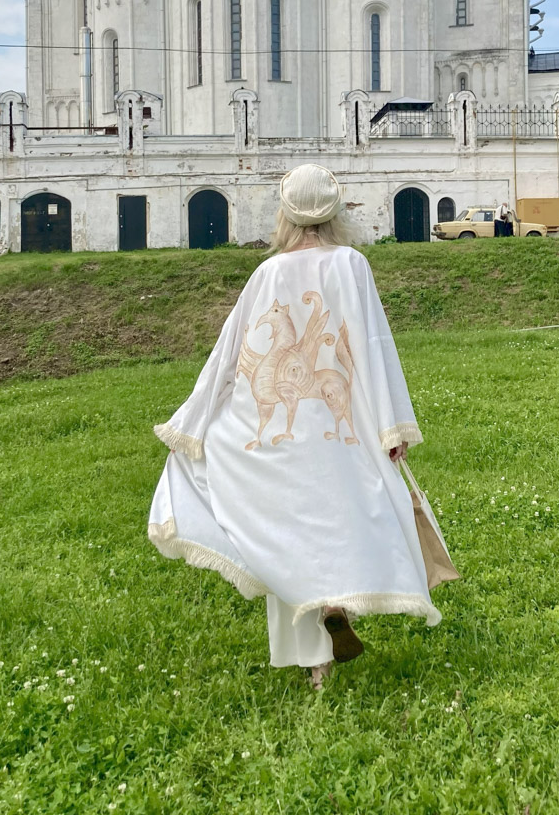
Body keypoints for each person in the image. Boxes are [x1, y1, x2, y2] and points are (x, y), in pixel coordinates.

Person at [148, 164, 444, 689]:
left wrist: (192, 425)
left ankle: (317, 668)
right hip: (341, 426)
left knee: (288, 534)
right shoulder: (352, 264)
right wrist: (392, 426)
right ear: (336, 212)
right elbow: (373, 347)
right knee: (343, 521)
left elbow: (231, 355)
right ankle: (337, 603)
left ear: (285, 214)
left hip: (282, 430)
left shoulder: (268, 273)